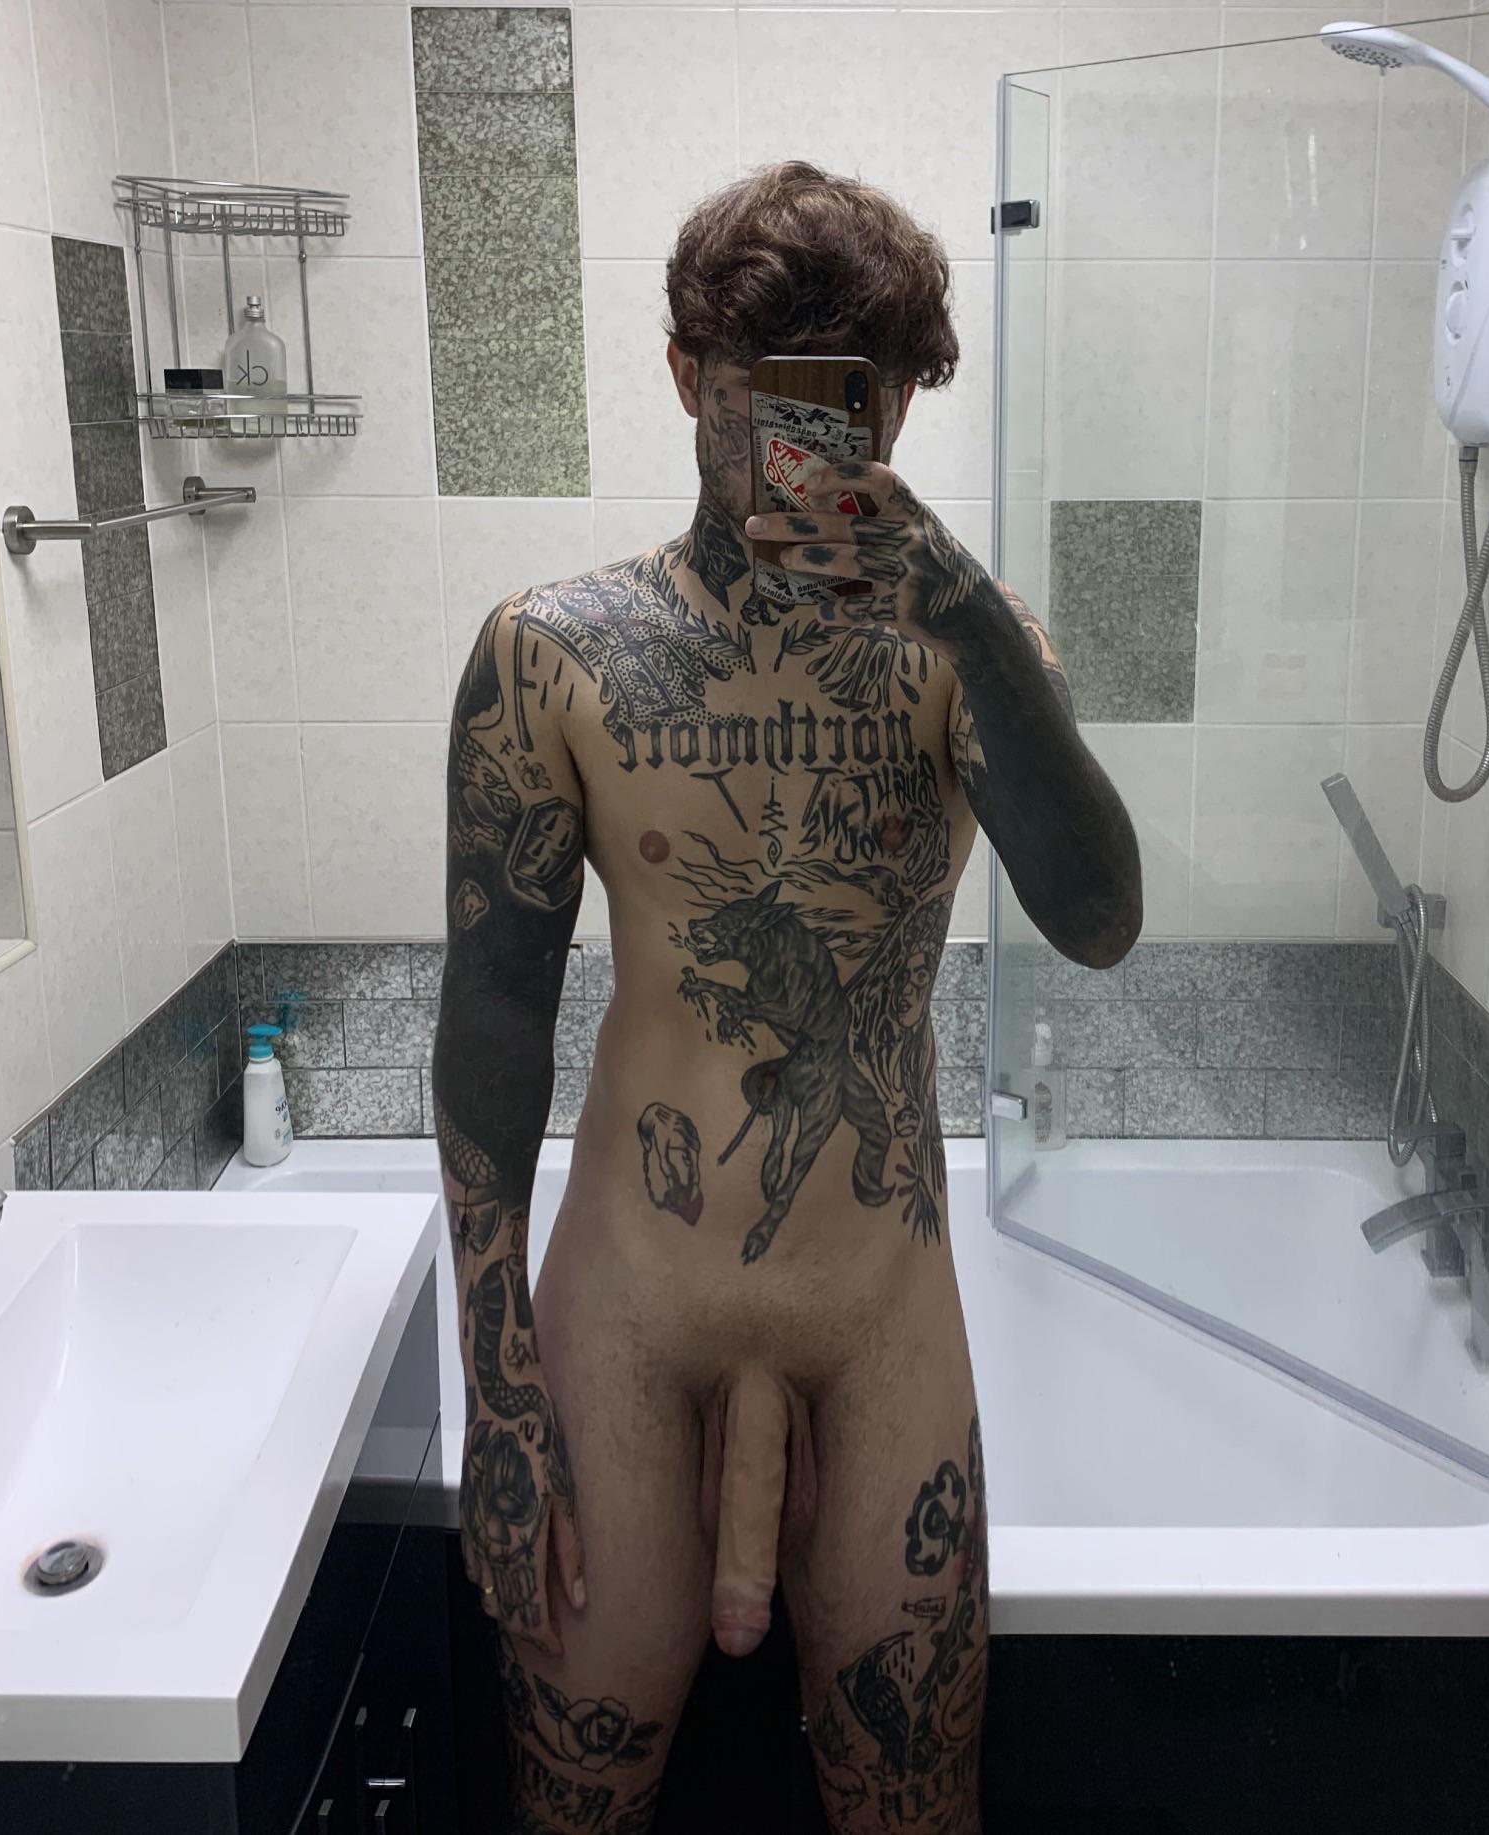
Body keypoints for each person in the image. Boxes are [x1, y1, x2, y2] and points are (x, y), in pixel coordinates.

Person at [431, 159, 1142, 1835]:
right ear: (691, 378)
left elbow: (1100, 921)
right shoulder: (554, 654)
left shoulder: (968, 651)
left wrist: (962, 612)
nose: (819, 447)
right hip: (629, 1306)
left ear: (903, 401)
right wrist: (500, 1389)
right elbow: (494, 1022)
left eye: (862, 401)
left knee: (916, 1806)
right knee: (575, 1812)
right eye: (778, 399)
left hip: (876, 1307)